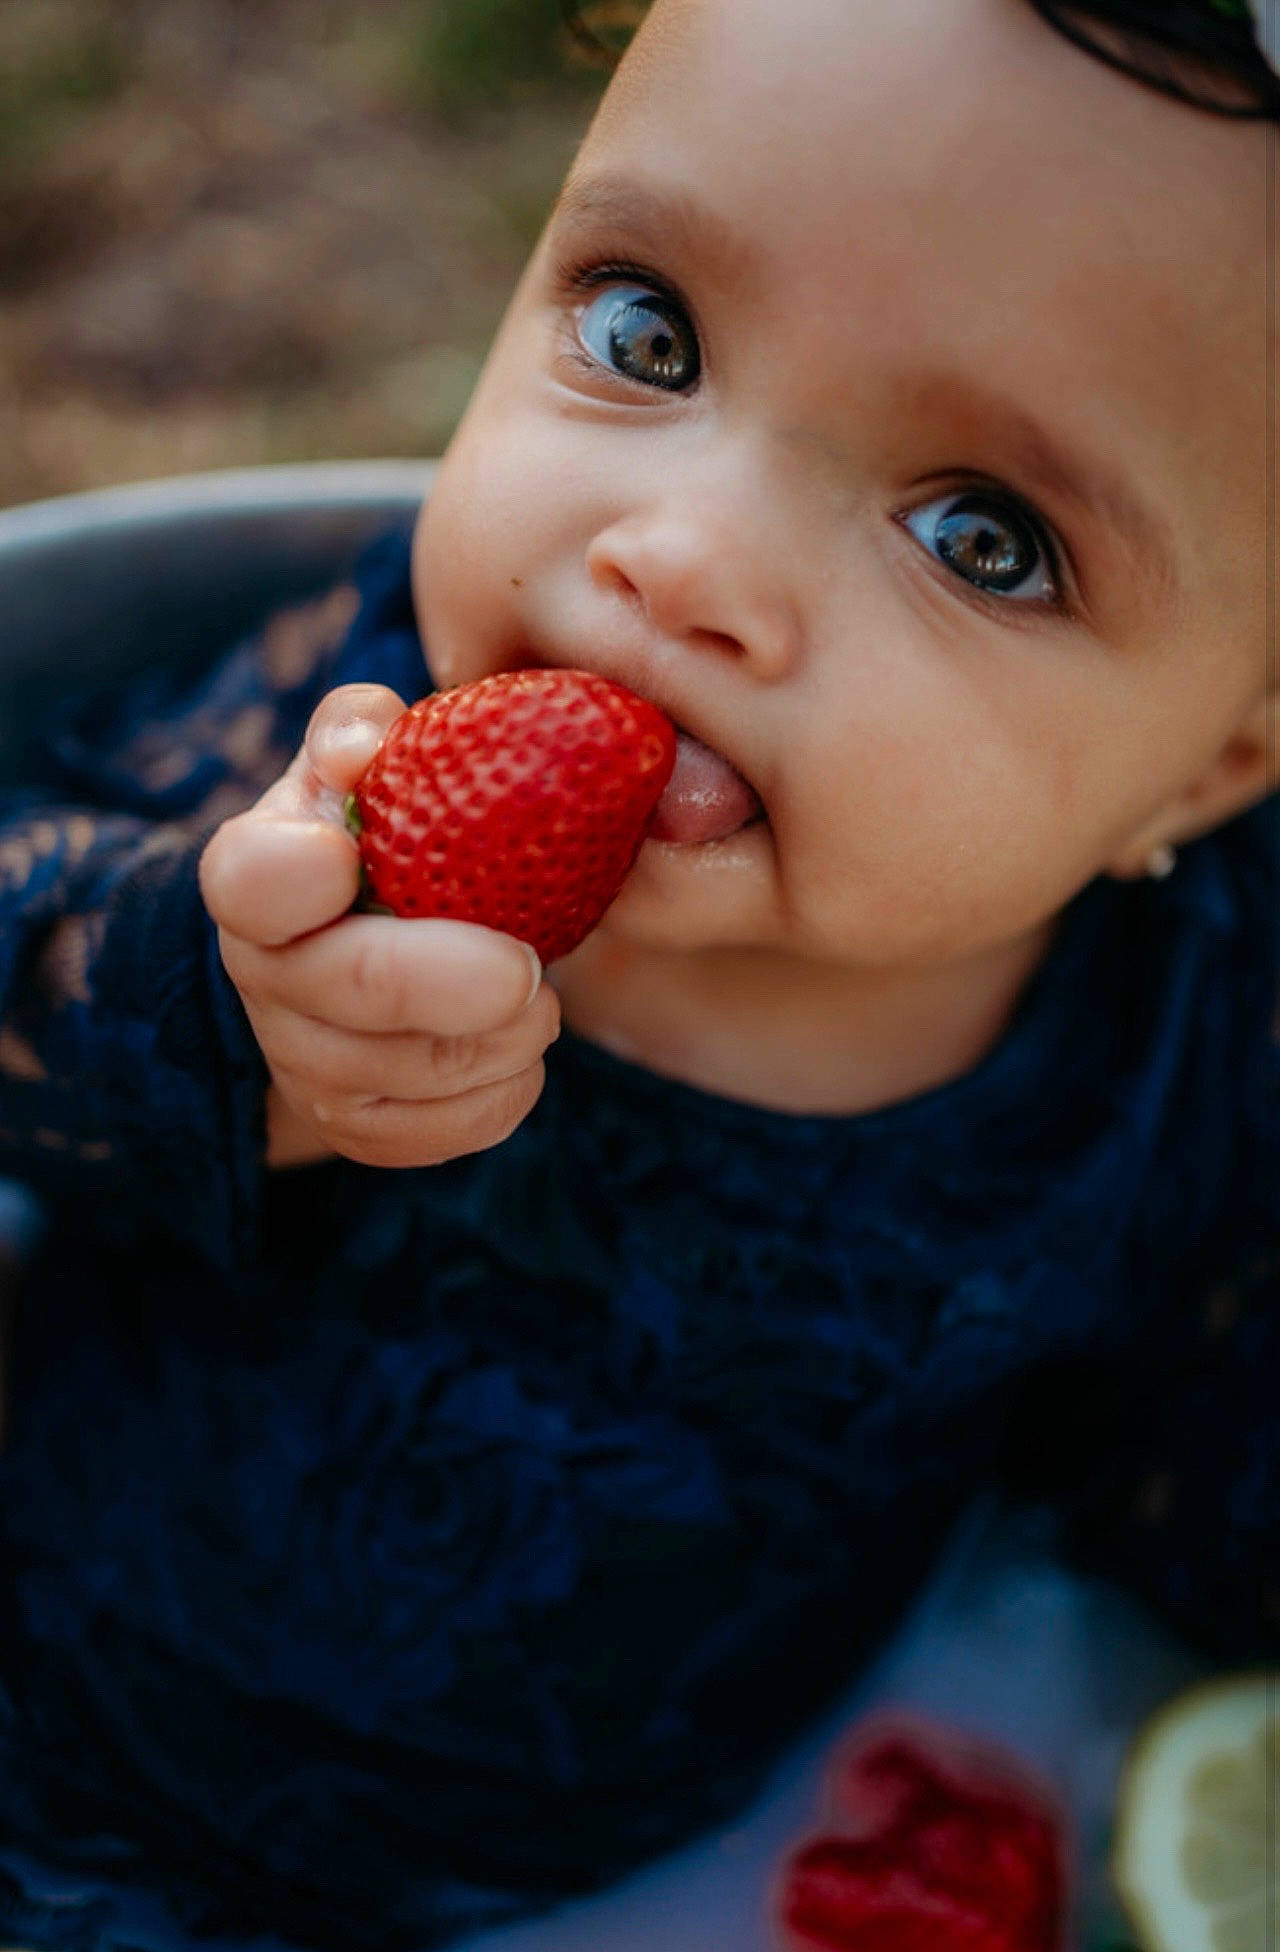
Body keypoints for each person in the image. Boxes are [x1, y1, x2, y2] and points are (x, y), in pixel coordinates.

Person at [0, 0, 1275, 1946]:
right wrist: (215, 998)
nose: (680, 556)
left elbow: (1192, 1409)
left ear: (1205, 766)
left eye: (981, 538)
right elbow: (24, 949)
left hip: (618, 1864)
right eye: (644, 332)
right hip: (52, 1708)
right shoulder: (357, 750)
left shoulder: (1172, 1026)